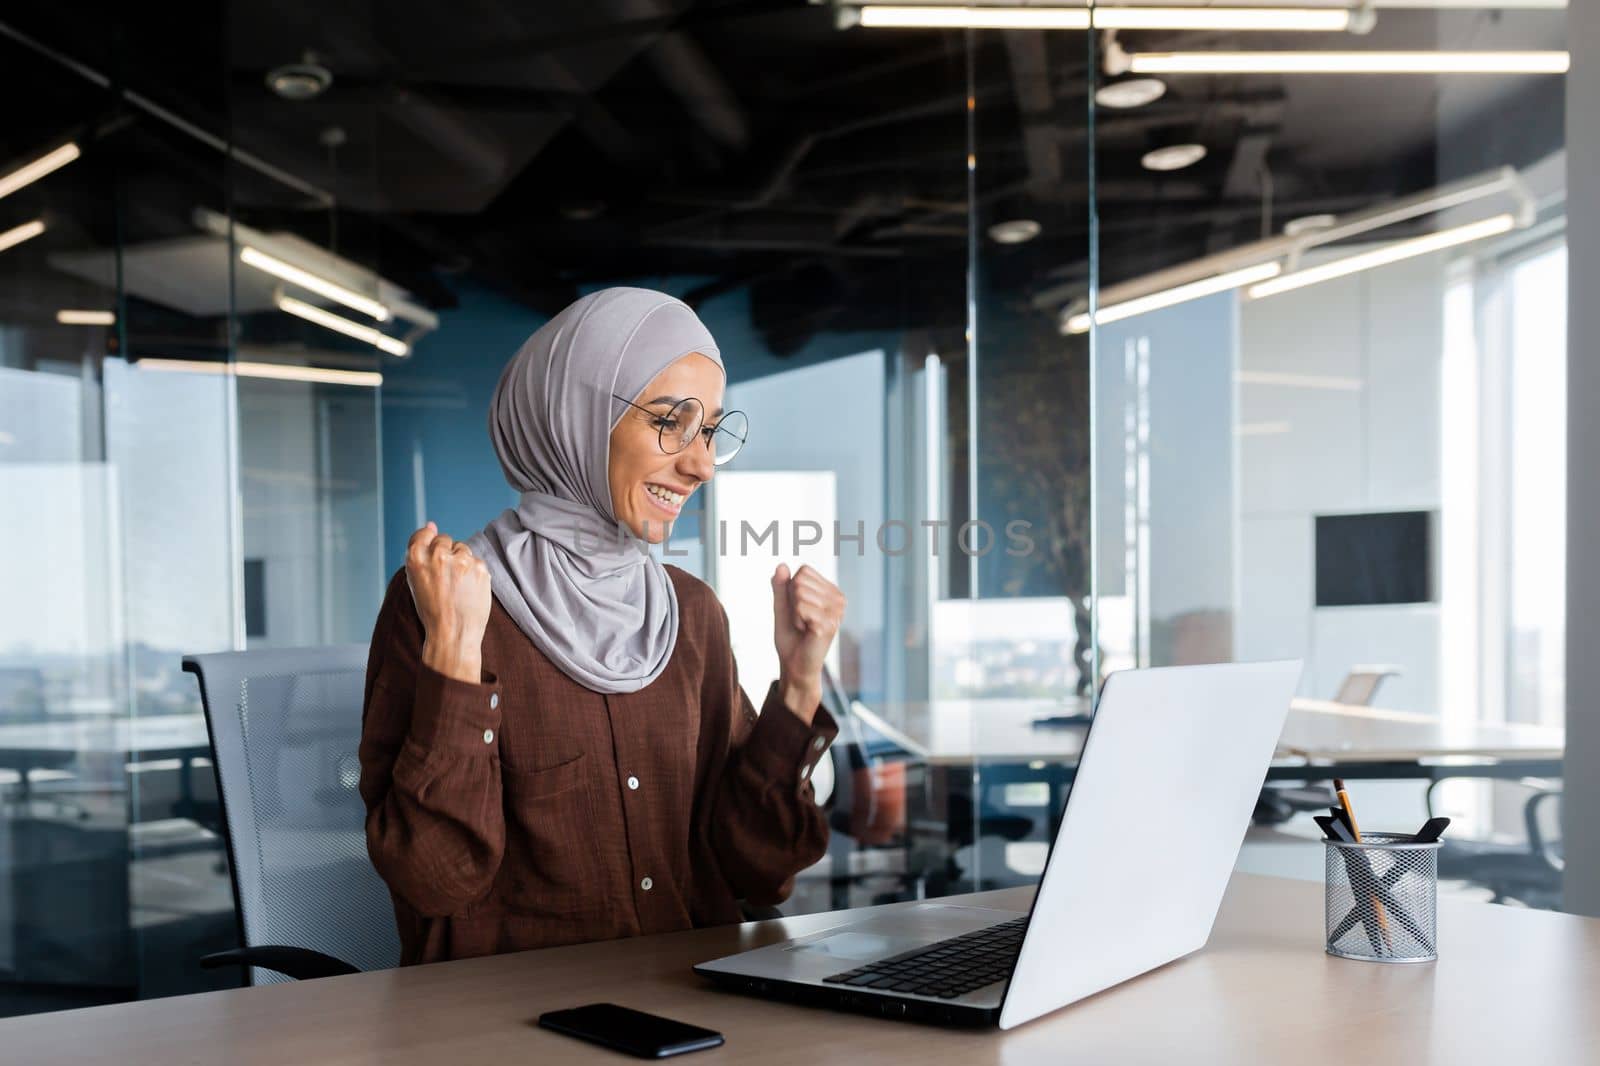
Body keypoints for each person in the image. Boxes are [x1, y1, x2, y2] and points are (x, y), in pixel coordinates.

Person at [358, 287, 845, 965]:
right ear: (576, 416)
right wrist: (453, 654)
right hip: (510, 1023)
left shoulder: (691, 612)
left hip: (692, 999)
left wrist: (798, 682)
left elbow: (757, 869)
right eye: (672, 422)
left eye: (708, 431)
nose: (701, 463)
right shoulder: (443, 600)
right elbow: (435, 881)